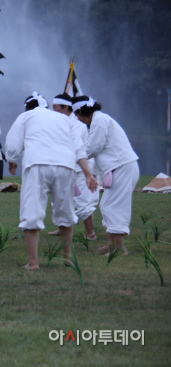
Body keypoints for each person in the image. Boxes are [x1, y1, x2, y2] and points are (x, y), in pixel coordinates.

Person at [5, 92, 98, 270]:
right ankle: (67, 258)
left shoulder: (25, 116)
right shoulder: (64, 119)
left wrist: (12, 159)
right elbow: (78, 148)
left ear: (28, 107)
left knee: (32, 211)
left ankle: (33, 262)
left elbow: (13, 144)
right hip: (65, 165)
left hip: (37, 163)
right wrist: (89, 174)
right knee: (66, 211)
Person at [73, 95, 139, 256]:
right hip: (118, 168)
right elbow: (97, 151)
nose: (79, 120)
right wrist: (91, 173)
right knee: (107, 205)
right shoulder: (99, 120)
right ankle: (111, 244)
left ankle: (119, 249)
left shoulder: (100, 120)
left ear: (81, 111)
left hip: (122, 168)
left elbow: (93, 147)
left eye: (77, 115)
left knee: (113, 206)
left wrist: (73, 157)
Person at [48, 93, 99, 240]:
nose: (53, 110)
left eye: (55, 107)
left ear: (65, 107)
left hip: (79, 169)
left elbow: (76, 148)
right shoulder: (57, 123)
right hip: (62, 166)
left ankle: (90, 233)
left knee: (82, 202)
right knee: (58, 199)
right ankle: (61, 228)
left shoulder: (77, 125)